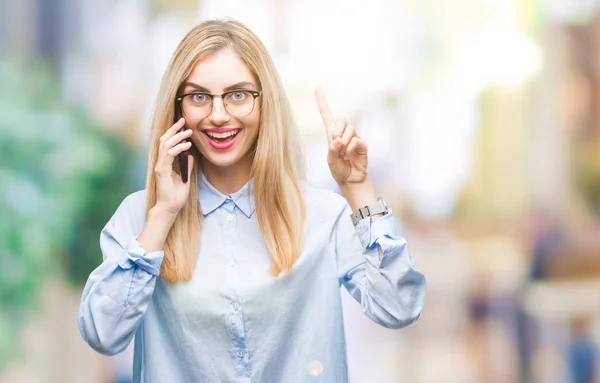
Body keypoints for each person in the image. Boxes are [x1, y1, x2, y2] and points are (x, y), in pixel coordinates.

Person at [77, 18, 426, 383]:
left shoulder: (323, 216)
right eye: (199, 96)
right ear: (178, 107)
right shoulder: (141, 217)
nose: (218, 115)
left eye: (238, 95)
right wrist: (163, 214)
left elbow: (399, 307)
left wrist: (357, 186)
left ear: (265, 103)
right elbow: (103, 334)